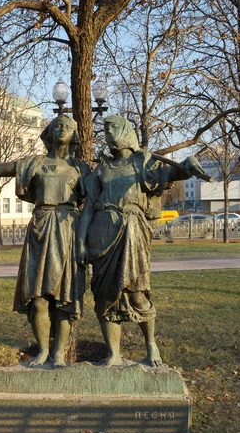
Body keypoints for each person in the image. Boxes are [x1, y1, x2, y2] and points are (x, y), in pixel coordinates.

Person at [78, 115, 206, 367]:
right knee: (105, 296)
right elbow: (87, 210)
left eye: (111, 127)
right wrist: (81, 243)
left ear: (125, 131)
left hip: (133, 232)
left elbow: (171, 173)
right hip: (102, 234)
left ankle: (151, 346)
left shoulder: (145, 164)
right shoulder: (101, 170)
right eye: (104, 129)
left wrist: (186, 165)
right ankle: (113, 354)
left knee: (137, 293)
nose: (107, 132)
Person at [0, 114, 89, 367]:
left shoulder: (82, 169)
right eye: (57, 125)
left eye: (67, 126)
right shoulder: (33, 164)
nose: (61, 128)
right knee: (38, 299)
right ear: (49, 133)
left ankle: (59, 354)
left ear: (74, 135)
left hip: (68, 230)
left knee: (65, 298)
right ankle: (43, 351)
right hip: (40, 228)